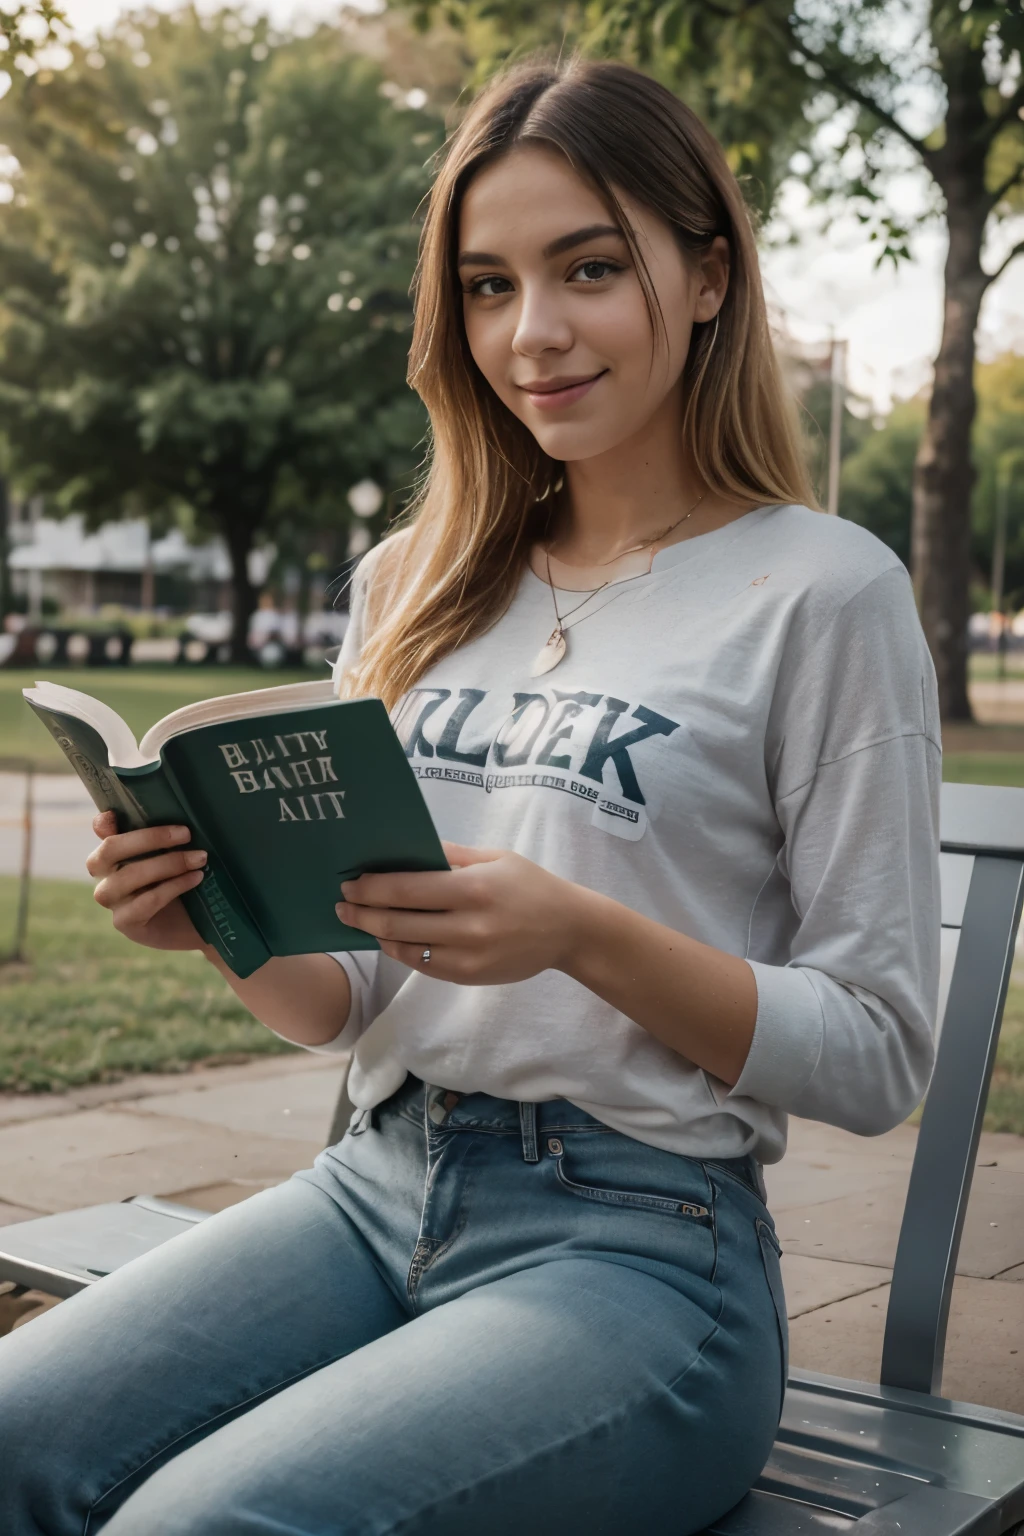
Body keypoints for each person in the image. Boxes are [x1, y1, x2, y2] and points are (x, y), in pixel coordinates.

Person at [0, 55, 941, 1536]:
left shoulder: (821, 592)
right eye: (489, 285)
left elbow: (881, 1053)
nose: (535, 333)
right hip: (375, 1184)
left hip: (646, 1255)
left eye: (586, 268)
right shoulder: (417, 581)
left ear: (706, 277)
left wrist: (579, 931)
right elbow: (356, 998)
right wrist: (221, 925)